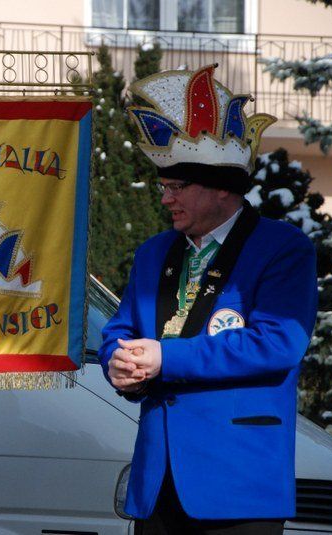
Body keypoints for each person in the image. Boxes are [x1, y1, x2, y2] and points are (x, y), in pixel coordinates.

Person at [101, 64, 318, 535]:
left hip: (238, 483)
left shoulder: (284, 248)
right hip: (157, 482)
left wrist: (164, 357)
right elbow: (120, 329)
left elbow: (278, 343)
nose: (166, 199)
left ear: (222, 188)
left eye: (177, 187)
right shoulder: (153, 252)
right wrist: (117, 362)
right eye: (164, 187)